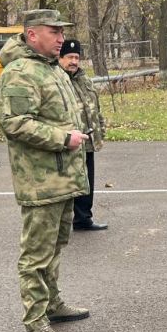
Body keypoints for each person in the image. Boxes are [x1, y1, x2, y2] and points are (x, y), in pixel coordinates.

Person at [0, 9, 91, 332]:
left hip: (63, 177)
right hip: (40, 180)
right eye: (54, 31)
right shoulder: (20, 72)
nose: (61, 38)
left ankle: (52, 304)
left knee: (55, 246)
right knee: (36, 254)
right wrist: (63, 139)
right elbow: (15, 123)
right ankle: (35, 321)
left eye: (61, 32)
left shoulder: (51, 69)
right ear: (33, 35)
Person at [58, 39, 108, 232]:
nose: (73, 61)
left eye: (76, 57)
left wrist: (100, 129)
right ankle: (60, 222)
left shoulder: (83, 79)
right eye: (69, 57)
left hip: (87, 140)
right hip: (66, 141)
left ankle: (83, 219)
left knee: (87, 181)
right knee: (67, 184)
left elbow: (95, 106)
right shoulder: (57, 81)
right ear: (60, 58)